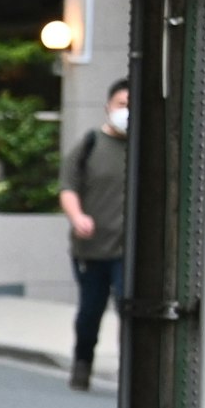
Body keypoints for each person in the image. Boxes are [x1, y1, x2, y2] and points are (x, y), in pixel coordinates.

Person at [60, 78, 132, 391]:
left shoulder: (144, 149)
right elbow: (68, 187)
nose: (127, 111)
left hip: (127, 249)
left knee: (128, 309)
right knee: (91, 311)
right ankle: (82, 364)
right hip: (91, 247)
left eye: (132, 105)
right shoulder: (90, 144)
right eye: (122, 104)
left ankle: (129, 374)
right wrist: (77, 217)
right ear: (108, 106)